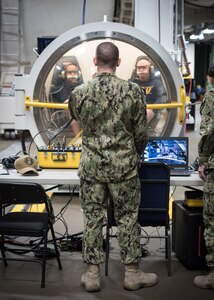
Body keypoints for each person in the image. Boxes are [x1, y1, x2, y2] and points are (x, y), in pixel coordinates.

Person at [68, 42, 158, 292]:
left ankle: (93, 275)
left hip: (92, 168)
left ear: (95, 62)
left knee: (93, 218)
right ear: (119, 63)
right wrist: (135, 154)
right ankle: (132, 274)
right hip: (124, 169)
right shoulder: (134, 92)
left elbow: (76, 117)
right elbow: (141, 132)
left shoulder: (80, 92)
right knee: (128, 218)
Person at [193, 64, 214, 290]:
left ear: (210, 78)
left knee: (213, 219)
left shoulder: (212, 98)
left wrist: (204, 160)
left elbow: (209, 132)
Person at [129, 56, 167, 135]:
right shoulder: (131, 83)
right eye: (139, 68)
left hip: (152, 111)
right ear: (135, 69)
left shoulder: (156, 83)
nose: (141, 70)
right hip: (135, 110)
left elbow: (162, 97)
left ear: (150, 69)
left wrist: (152, 109)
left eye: (144, 67)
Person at [49, 56, 83, 136]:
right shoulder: (59, 88)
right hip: (65, 112)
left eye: (75, 72)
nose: (73, 75)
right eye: (70, 72)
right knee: (71, 109)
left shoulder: (82, 86)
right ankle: (78, 138)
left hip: (79, 109)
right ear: (64, 74)